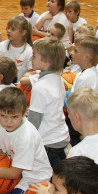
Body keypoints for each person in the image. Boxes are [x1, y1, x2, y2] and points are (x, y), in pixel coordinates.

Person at [28, 38, 69, 168]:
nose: (31, 58)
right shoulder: (58, 79)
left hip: (48, 142)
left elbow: (34, 122)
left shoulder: (40, 87)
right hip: (61, 136)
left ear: (46, 61)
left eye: (34, 56)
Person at [0, 16, 33, 82]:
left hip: (18, 87)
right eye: (8, 28)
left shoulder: (29, 51)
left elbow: (31, 72)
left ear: (23, 32)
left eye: (13, 29)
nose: (9, 31)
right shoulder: (1, 46)